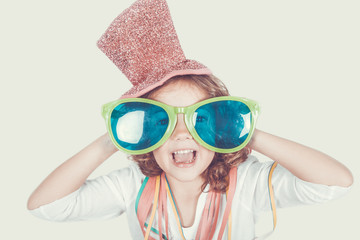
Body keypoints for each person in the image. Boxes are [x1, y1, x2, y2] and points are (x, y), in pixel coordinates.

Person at [27, 0, 353, 239]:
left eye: (201, 119)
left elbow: (334, 183)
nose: (182, 133)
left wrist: (244, 132)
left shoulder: (247, 184)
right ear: (144, 135)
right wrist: (113, 137)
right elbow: (45, 206)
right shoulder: (131, 186)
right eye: (160, 121)